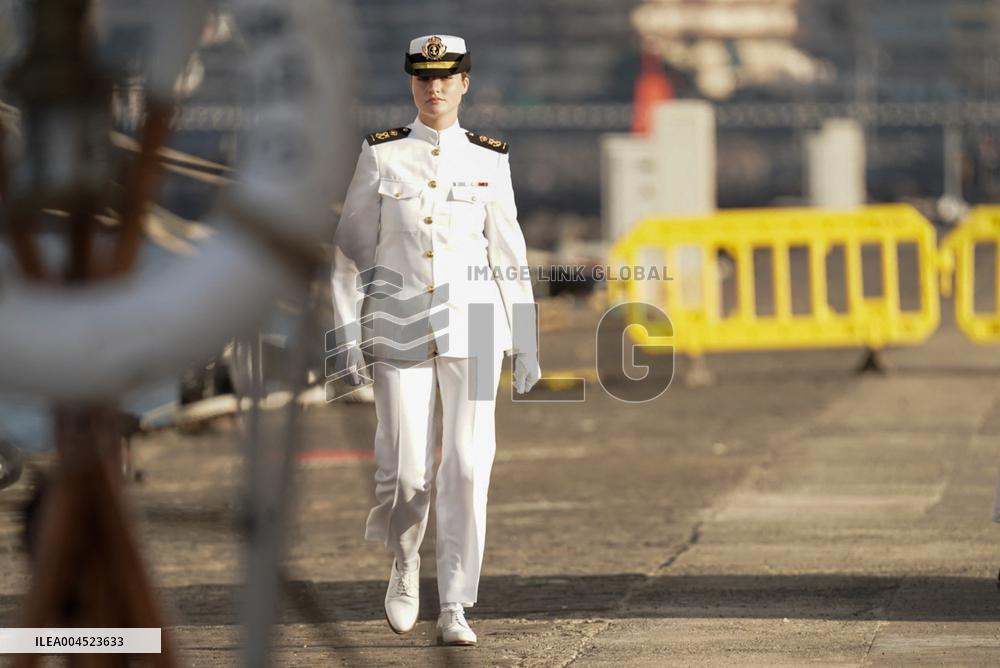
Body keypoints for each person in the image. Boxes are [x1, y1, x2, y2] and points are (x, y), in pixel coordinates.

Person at [330, 34, 541, 646]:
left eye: (447, 77)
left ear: (465, 83)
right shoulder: (381, 156)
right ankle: (403, 562)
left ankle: (455, 602)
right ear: (411, 83)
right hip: (397, 322)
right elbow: (348, 259)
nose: (435, 87)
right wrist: (345, 339)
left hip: (475, 323)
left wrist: (524, 339)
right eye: (424, 77)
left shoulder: (489, 160)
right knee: (405, 473)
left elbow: (509, 255)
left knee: (470, 467)